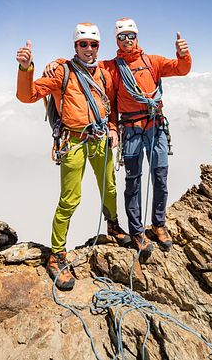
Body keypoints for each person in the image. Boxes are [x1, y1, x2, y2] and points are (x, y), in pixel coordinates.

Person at [44, 18, 191, 261]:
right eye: (121, 37)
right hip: (131, 129)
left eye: (130, 35)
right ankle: (135, 231)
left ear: (137, 36)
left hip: (155, 126)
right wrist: (57, 62)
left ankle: (158, 224)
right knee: (133, 181)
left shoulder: (152, 61)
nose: (127, 40)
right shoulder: (111, 66)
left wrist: (183, 55)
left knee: (160, 178)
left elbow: (181, 69)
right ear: (116, 40)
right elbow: (81, 65)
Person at [16, 23, 131, 291]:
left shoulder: (103, 74)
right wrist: (26, 68)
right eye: (83, 44)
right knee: (70, 198)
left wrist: (113, 129)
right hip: (75, 141)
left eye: (93, 44)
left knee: (110, 187)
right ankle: (57, 255)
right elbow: (27, 95)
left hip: (100, 139)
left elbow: (110, 106)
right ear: (75, 46)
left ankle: (113, 226)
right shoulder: (62, 72)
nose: (89, 49)